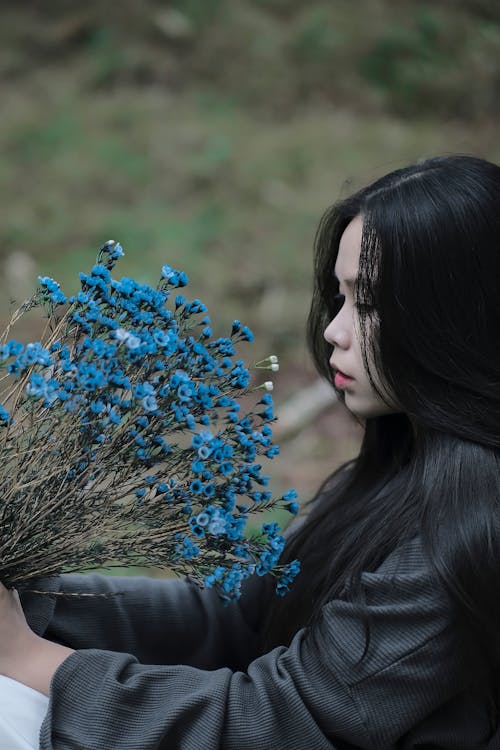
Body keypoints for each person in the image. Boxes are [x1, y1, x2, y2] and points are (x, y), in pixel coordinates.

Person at [1, 153, 500, 749]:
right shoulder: (401, 472)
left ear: (459, 318)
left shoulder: (467, 533)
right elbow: (240, 620)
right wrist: (36, 600)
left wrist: (29, 660)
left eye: (368, 305)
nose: (334, 331)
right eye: (338, 298)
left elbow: (283, 722)